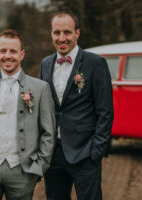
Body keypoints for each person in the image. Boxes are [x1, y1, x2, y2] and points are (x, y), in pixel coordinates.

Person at [0, 29, 56, 200]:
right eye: (3, 51)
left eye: (13, 51)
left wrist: (38, 167)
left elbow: (48, 133)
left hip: (22, 172)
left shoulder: (40, 88)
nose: (8, 56)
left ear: (22, 54)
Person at [40, 12, 114, 200]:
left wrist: (96, 151)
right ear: (51, 34)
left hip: (84, 153)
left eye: (67, 32)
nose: (62, 38)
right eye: (57, 33)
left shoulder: (95, 63)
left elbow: (105, 112)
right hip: (53, 154)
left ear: (77, 33)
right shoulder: (45, 64)